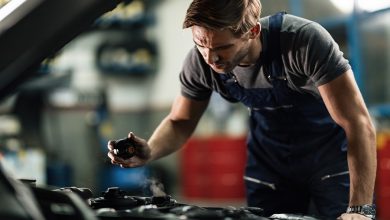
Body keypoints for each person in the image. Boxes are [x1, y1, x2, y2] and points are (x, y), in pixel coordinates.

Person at [107, 0, 377, 219]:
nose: (211, 58)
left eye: (223, 48)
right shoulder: (199, 64)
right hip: (269, 165)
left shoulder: (303, 43)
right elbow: (180, 121)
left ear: (253, 32)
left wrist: (359, 210)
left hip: (330, 161)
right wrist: (150, 150)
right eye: (201, 45)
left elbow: (358, 124)